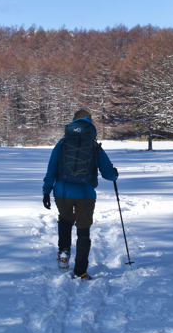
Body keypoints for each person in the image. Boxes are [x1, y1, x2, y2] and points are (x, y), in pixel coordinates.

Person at [42, 109, 118, 280]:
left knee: (65, 220)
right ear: (89, 123)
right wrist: (114, 174)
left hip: (62, 192)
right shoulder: (93, 145)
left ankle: (63, 252)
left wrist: (46, 191)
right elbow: (107, 173)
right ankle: (80, 271)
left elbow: (51, 169)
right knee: (83, 231)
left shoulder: (62, 143)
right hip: (85, 194)